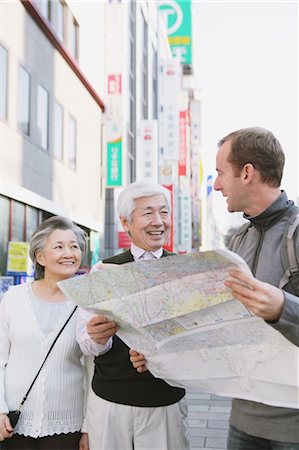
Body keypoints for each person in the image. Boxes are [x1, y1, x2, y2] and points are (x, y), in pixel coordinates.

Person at [76, 181, 189, 450]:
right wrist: (97, 337)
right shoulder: (105, 270)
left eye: (164, 212)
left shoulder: (183, 271)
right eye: (148, 213)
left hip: (166, 400)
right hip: (111, 400)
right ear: (126, 222)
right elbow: (86, 342)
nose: (158, 221)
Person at [213, 127, 299, 449]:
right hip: (242, 419)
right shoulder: (236, 241)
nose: (217, 184)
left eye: (221, 173)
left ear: (247, 172)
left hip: (292, 428)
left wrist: (282, 308)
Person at [0, 216, 89, 450]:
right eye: (59, 246)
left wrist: (89, 426)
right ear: (40, 256)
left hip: (67, 423)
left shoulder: (87, 304)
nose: (69, 253)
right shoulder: (13, 298)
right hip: (13, 421)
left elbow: (94, 371)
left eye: (74, 246)